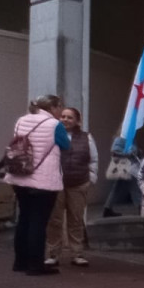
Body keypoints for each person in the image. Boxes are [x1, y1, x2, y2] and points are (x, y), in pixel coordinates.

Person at [6, 94, 70, 276]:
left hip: (19, 176)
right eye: (60, 108)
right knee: (38, 222)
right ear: (54, 107)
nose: (61, 112)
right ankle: (35, 265)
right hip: (43, 179)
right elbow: (65, 145)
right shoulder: (54, 125)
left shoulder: (21, 120)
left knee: (24, 218)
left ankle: (20, 261)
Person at [45, 106, 98, 268]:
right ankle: (53, 254)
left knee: (76, 219)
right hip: (56, 183)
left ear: (77, 121)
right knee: (55, 220)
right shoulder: (52, 135)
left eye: (70, 117)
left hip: (79, 183)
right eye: (63, 116)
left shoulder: (86, 137)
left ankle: (77, 253)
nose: (65, 120)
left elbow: (93, 159)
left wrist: (91, 178)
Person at [101, 137, 141, 218]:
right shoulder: (121, 138)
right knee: (134, 187)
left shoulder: (130, 138)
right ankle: (141, 207)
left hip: (126, 167)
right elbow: (115, 151)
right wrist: (129, 153)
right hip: (126, 167)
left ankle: (107, 209)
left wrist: (137, 152)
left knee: (117, 189)